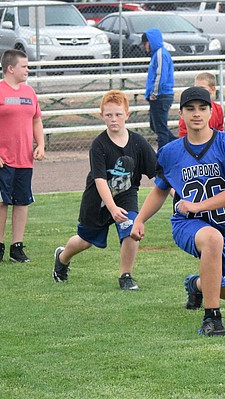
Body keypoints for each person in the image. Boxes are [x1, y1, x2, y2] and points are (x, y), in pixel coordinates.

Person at [130, 87, 225, 336]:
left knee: (224, 290)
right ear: (181, 114)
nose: (196, 114)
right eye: (190, 109)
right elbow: (160, 190)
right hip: (187, 224)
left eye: (202, 108)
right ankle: (212, 320)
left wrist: (198, 205)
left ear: (211, 111)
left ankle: (195, 285)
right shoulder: (170, 152)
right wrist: (140, 219)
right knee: (211, 239)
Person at [52, 90, 157, 290]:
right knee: (85, 242)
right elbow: (100, 179)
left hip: (126, 195)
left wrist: (177, 197)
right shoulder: (98, 145)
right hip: (98, 199)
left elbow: (158, 174)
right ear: (102, 116)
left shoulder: (138, 142)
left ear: (127, 114)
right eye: (108, 115)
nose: (113, 119)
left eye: (118, 114)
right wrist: (111, 208)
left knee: (131, 230)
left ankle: (126, 275)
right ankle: (62, 257)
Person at [0, 49, 45, 264]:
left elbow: (36, 120)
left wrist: (40, 144)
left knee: (22, 202)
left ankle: (17, 247)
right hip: (1, 159)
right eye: (24, 66)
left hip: (24, 158)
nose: (28, 70)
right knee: (1, 201)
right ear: (10, 68)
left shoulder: (29, 92)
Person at [143, 28, 175, 150]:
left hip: (161, 96)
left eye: (145, 43)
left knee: (161, 129)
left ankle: (162, 156)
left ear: (150, 41)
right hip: (159, 95)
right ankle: (178, 144)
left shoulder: (161, 54)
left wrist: (154, 93)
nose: (145, 46)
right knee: (156, 126)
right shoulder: (157, 54)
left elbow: (160, 75)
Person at [178, 72, 224, 138]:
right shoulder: (188, 111)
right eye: (196, 87)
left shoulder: (218, 108)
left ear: (213, 89)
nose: (198, 90)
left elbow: (220, 130)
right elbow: (183, 133)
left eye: (202, 88)